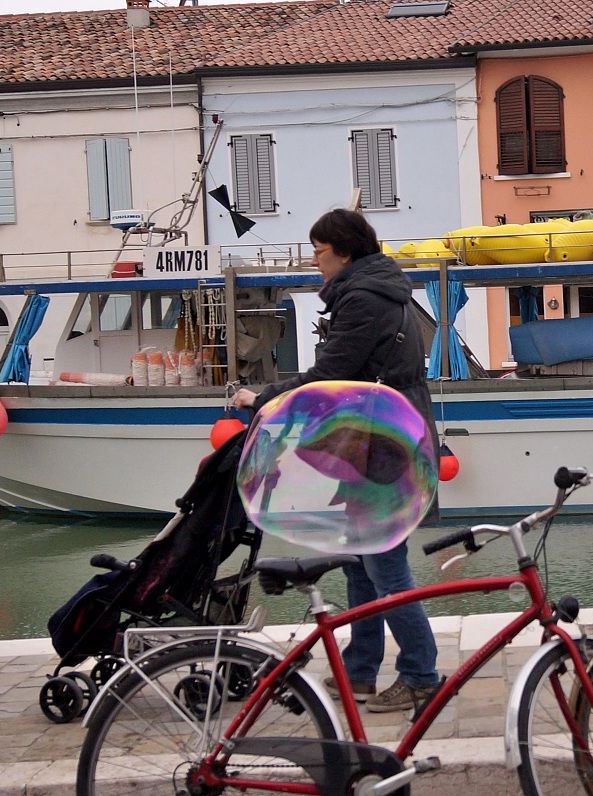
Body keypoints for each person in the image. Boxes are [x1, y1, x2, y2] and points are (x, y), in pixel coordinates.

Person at [232, 209, 442, 713]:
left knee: (384, 563)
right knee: (357, 562)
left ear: (344, 252)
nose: (314, 259)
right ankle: (361, 670)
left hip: (380, 444)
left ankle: (420, 673)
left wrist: (264, 397)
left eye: (319, 250)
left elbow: (332, 372)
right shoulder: (374, 290)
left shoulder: (365, 298)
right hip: (376, 434)